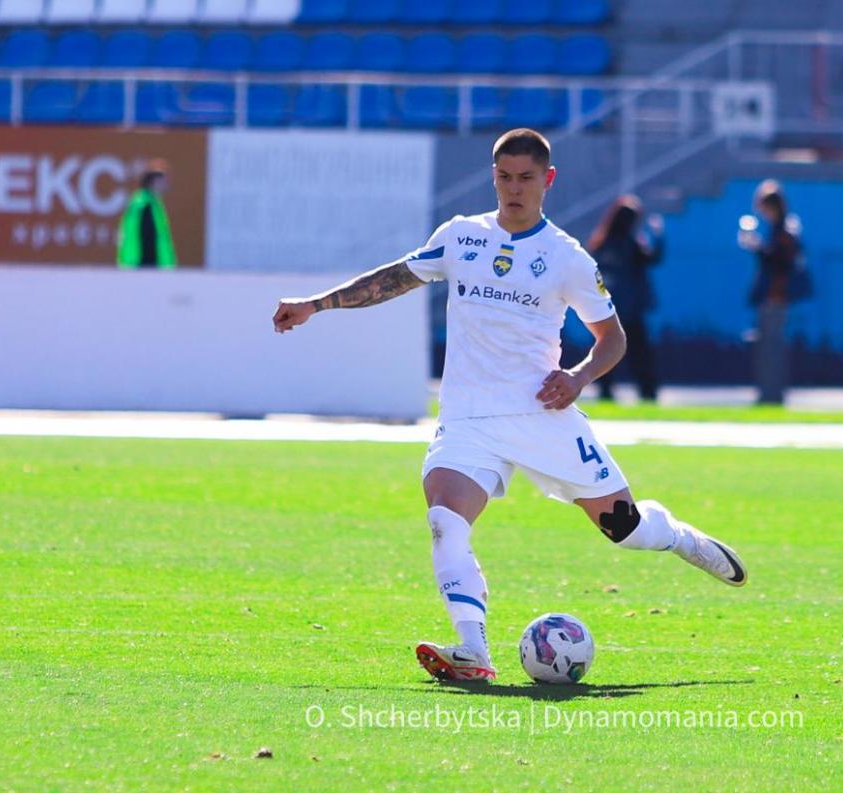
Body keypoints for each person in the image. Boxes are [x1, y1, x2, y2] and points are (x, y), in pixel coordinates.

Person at [272, 129, 746, 684]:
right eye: (503, 177)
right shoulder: (460, 237)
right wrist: (316, 304)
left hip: (540, 414)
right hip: (468, 418)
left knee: (624, 528)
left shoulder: (566, 257)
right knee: (445, 518)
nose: (513, 189)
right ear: (492, 177)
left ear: (548, 180)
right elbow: (395, 277)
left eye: (525, 178)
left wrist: (578, 377)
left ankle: (677, 536)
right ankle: (472, 650)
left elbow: (613, 339)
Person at [587, 195, 664, 401]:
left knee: (605, 348)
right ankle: (647, 390)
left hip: (608, 307)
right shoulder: (632, 244)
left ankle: (605, 389)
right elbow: (653, 258)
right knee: (639, 352)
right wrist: (658, 236)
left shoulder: (601, 243)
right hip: (631, 308)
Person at [738, 180, 808, 405]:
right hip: (773, 296)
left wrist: (757, 247)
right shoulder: (781, 228)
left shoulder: (785, 230)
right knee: (767, 347)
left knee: (772, 348)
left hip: (776, 296)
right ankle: (768, 392)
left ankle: (772, 394)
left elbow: (779, 262)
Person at [116, 160, 177, 269]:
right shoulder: (143, 204)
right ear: (152, 182)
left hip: (152, 264)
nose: (165, 184)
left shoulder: (154, 204)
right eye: (162, 181)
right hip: (141, 264)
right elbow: (145, 236)